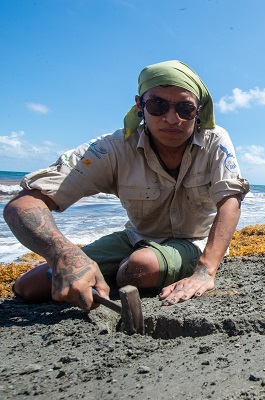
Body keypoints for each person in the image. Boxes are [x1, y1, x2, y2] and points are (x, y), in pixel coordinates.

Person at [4, 60, 250, 312]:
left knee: (139, 267)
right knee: (30, 286)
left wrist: (205, 272)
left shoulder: (214, 141)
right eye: (158, 105)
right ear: (139, 106)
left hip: (194, 241)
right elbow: (23, 205)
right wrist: (65, 255)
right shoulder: (112, 149)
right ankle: (112, 272)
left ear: (198, 112)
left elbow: (230, 201)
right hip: (136, 238)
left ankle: (117, 273)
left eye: (185, 109)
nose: (171, 118)